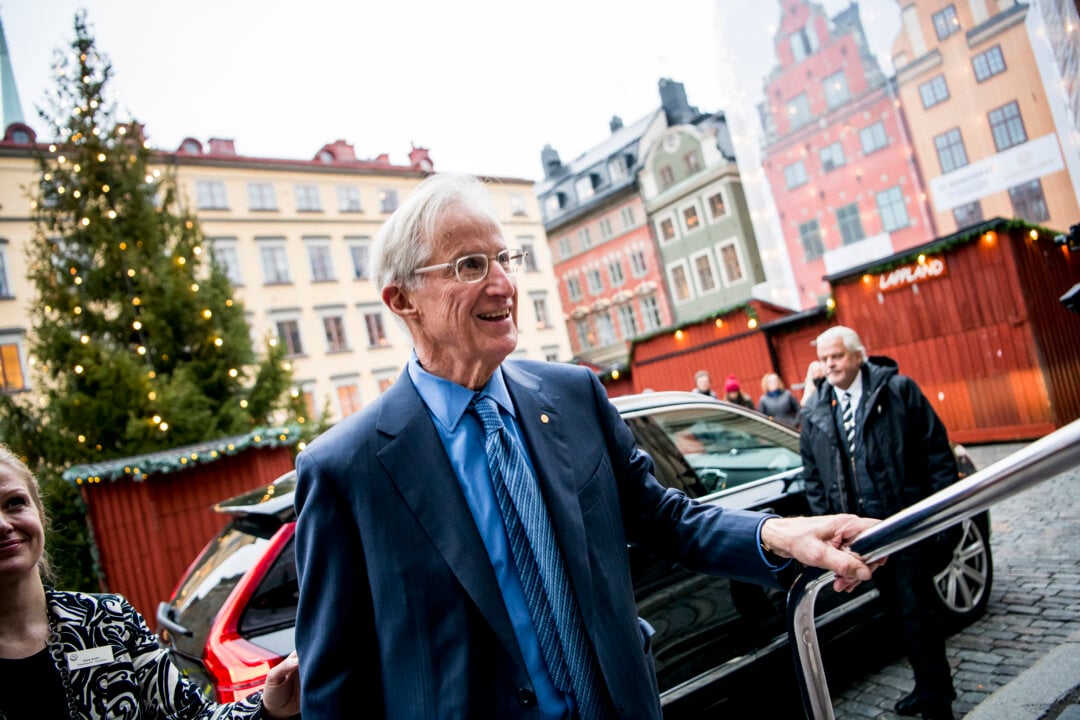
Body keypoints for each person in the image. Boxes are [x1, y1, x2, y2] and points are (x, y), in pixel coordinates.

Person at [292, 173, 881, 720]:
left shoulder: (572, 394)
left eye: (504, 258)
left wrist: (777, 534)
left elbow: (661, 517)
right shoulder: (345, 469)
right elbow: (336, 689)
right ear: (402, 300)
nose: (503, 283)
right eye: (470, 265)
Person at [0, 445, 301, 720]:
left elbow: (192, 715)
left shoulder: (106, 621)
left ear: (39, 512)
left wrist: (268, 708)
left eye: (14, 503)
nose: (3, 524)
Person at [799, 326, 960, 720]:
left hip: (904, 529)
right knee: (895, 618)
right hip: (860, 543)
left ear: (858, 355)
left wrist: (943, 522)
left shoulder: (899, 391)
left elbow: (937, 453)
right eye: (824, 358)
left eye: (836, 356)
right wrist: (831, 531)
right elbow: (813, 478)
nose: (830, 364)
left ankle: (938, 700)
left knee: (919, 617)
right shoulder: (816, 411)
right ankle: (926, 688)